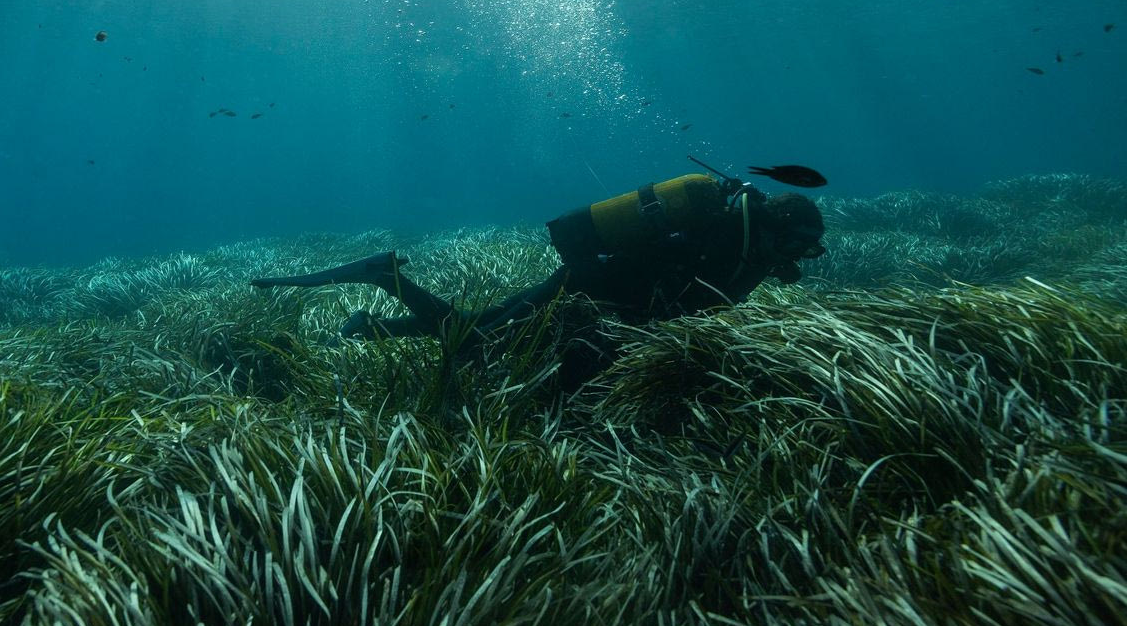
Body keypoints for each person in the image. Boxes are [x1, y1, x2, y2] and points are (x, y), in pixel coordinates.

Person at [250, 170, 825, 378]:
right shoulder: (730, 243)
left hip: (595, 288)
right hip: (590, 290)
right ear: (781, 231)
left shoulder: (734, 237)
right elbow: (677, 296)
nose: (793, 264)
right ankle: (384, 278)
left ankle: (368, 328)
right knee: (477, 341)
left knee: (482, 326)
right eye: (796, 250)